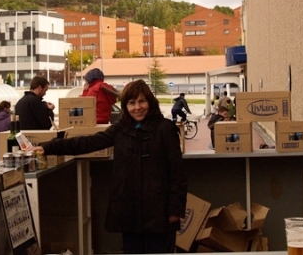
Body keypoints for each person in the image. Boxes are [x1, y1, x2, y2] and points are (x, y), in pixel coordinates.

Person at [32, 79, 187, 254]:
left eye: (142, 101)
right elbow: (88, 142)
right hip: (130, 212)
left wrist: (175, 208)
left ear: (150, 102)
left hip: (160, 212)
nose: (138, 107)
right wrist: (49, 147)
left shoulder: (165, 129)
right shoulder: (121, 129)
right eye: (132, 103)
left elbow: (177, 173)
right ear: (125, 106)